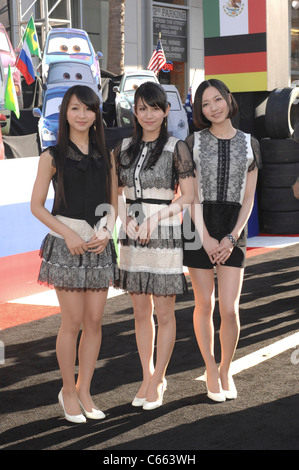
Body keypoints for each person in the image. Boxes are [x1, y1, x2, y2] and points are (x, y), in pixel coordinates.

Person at [31, 85, 119, 423]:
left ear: (97, 114)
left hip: (99, 245)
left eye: (88, 109)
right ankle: (67, 389)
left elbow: (112, 201)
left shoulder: (107, 154)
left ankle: (84, 389)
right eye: (75, 109)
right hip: (65, 245)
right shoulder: (50, 156)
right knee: (73, 322)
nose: (82, 115)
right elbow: (36, 206)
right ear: (65, 114)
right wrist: (68, 234)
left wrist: (107, 230)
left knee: (95, 321)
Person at [114, 82, 194, 410]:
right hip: (132, 235)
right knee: (140, 311)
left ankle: (159, 378)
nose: (149, 114)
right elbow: (117, 194)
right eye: (142, 108)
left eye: (155, 108)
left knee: (164, 310)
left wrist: (154, 219)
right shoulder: (121, 147)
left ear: (165, 111)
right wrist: (126, 220)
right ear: (135, 111)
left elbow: (187, 196)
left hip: (164, 234)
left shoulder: (177, 148)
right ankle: (146, 376)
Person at [182, 79, 262, 402]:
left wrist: (230, 237)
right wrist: (205, 237)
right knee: (205, 304)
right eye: (205, 103)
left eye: (217, 99)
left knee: (229, 309)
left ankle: (226, 368)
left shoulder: (250, 143)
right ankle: (210, 368)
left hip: (233, 230)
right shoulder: (192, 143)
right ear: (199, 110)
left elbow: (249, 198)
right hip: (198, 226)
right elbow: (190, 197)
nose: (213, 107)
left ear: (229, 99)